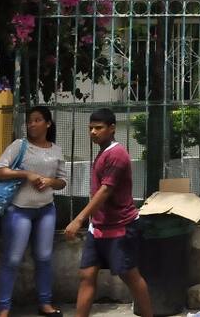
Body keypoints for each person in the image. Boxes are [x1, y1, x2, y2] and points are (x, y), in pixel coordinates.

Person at [64, 108, 153, 317]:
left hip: (120, 226)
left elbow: (105, 190)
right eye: (90, 128)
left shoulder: (117, 154)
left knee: (130, 276)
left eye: (98, 128)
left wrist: (78, 219)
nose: (93, 132)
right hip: (97, 227)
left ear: (112, 128)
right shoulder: (103, 152)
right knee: (87, 275)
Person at [0, 106, 69, 317]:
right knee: (13, 258)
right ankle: (4, 309)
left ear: (48, 124)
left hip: (46, 210)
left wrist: (50, 181)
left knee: (44, 257)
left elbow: (62, 181)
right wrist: (26, 174)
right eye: (29, 120)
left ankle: (45, 304)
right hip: (19, 210)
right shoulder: (20, 145)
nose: (31, 124)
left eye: (37, 120)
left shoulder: (56, 150)